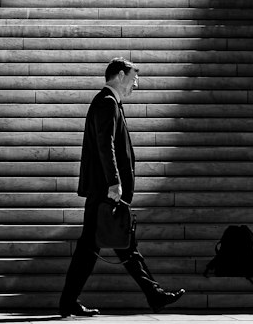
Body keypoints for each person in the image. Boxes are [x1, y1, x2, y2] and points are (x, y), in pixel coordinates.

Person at [58, 59, 184, 318]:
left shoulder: (110, 102)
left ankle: (153, 294)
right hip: (106, 189)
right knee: (111, 244)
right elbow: (107, 145)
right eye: (133, 78)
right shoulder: (107, 102)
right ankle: (154, 294)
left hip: (103, 189)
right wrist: (114, 182)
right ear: (118, 75)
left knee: (105, 246)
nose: (136, 84)